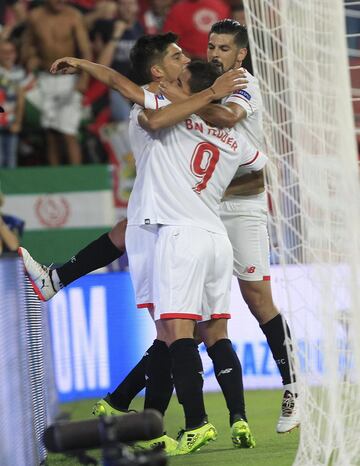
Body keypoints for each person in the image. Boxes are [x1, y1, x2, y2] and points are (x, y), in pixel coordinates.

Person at [19, 20, 299, 434]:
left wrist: (191, 98)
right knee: (181, 320)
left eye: (223, 47)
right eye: (209, 45)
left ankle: (292, 385)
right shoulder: (179, 93)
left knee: (247, 303)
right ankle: (62, 287)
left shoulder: (240, 84)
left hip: (239, 209)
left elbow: (226, 119)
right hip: (199, 211)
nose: (212, 52)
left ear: (240, 56)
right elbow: (131, 92)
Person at [21, 0, 92, 165]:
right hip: (45, 79)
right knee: (51, 133)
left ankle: (77, 180)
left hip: (69, 79)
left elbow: (86, 50)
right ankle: (55, 179)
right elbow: (27, 46)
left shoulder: (74, 16)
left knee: (69, 132)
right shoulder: (34, 17)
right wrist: (31, 58)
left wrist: (84, 78)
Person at [0, 38, 25, 168]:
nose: (8, 55)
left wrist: (18, 122)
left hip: (10, 121)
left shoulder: (18, 72)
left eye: (11, 51)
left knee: (10, 159)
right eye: (4, 52)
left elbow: (21, 98)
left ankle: (10, 188)